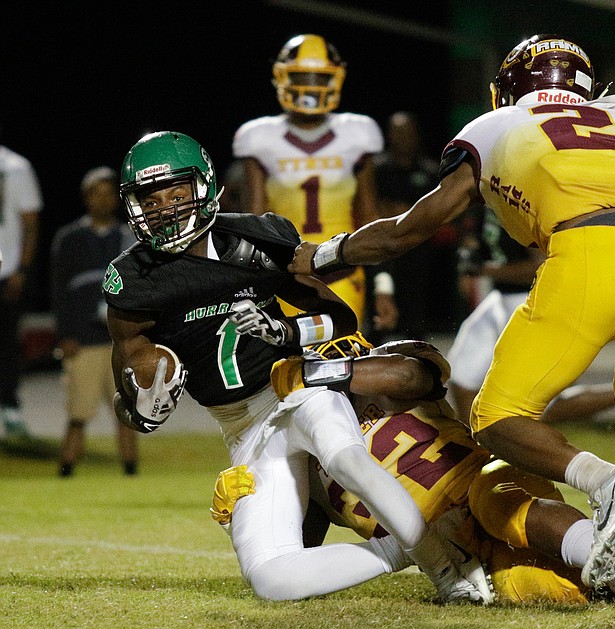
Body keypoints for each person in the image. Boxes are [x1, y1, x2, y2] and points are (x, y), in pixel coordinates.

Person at [289, 35, 615, 606]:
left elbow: (414, 227)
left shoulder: (497, 126)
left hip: (585, 252)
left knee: (494, 418)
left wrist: (328, 254)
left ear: (511, 89)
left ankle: (605, 480)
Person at [103, 130, 485, 604]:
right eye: (151, 197)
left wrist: (283, 333)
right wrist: (141, 406)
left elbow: (338, 319)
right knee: (271, 579)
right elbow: (125, 385)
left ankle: (448, 575)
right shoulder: (132, 278)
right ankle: (405, 550)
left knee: (346, 458)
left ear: (203, 187)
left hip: (295, 387)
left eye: (177, 192)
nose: (166, 207)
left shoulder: (255, 236)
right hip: (243, 430)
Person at [214, 333, 615, 606]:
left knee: (497, 503)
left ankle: (612, 558)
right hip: (454, 551)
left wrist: (336, 375)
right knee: (527, 588)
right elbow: (304, 554)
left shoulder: (397, 385)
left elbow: (421, 369)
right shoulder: (302, 450)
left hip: (487, 480)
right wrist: (252, 499)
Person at [232, 33, 388, 328]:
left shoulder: (358, 132)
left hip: (342, 269)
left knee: (344, 359)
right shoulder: (258, 137)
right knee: (284, 361)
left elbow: (371, 217)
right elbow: (253, 220)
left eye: (319, 77)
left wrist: (383, 283)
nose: (310, 86)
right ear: (281, 77)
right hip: (283, 274)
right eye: (302, 76)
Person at [448, 207, 615, 425]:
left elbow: (541, 265)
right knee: (462, 377)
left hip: (539, 300)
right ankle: (475, 452)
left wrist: (486, 270)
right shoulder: (490, 201)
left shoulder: (526, 204)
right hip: (501, 298)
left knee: (538, 407)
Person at [50, 166, 139, 477]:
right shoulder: (69, 238)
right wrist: (65, 334)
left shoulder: (129, 236)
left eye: (108, 193)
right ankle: (65, 473)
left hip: (120, 341)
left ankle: (131, 473)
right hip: (84, 341)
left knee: (127, 412)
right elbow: (59, 292)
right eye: (96, 193)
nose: (102, 200)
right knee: (78, 414)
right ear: (86, 197)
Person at [371, 111, 459, 340]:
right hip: (381, 253)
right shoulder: (375, 170)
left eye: (409, 133)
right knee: (377, 317)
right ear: (389, 135)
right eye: (399, 133)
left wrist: (402, 213)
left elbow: (441, 213)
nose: (405, 138)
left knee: (416, 320)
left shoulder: (430, 171)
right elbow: (369, 210)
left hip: (418, 253)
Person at [0, 133, 42, 439]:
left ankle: (10, 408)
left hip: (6, 272)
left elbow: (30, 223)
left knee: (6, 345)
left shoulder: (15, 167)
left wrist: (22, 270)